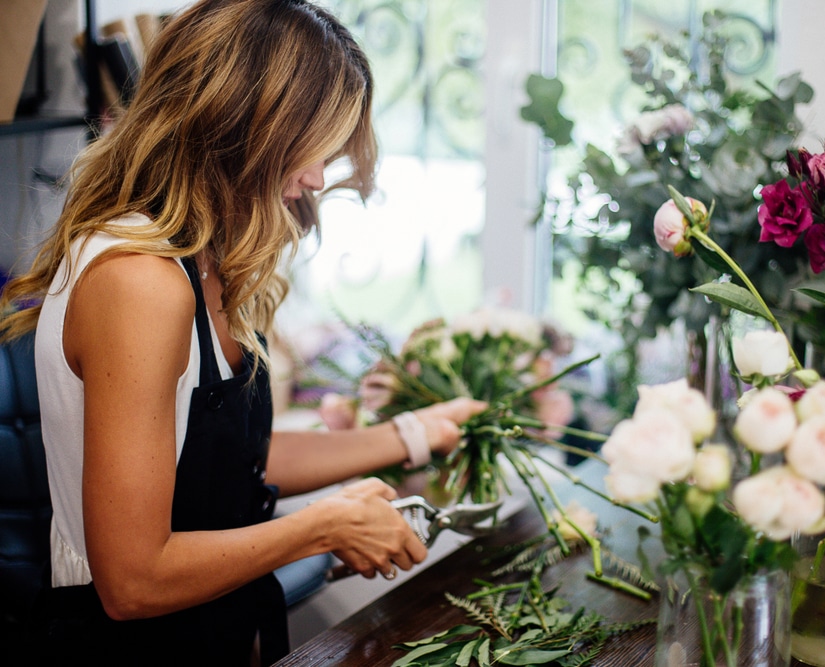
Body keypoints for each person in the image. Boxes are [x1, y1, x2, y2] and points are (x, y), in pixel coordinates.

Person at [0, 0, 485, 664]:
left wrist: (414, 433)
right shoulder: (139, 280)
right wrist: (324, 525)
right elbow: (133, 580)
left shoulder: (201, 257)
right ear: (240, 126)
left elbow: (232, 461)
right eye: (310, 146)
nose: (316, 177)